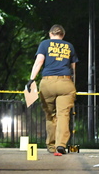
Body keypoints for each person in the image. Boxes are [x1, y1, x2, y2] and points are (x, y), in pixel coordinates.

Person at [26, 24, 78, 154]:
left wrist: (32, 79)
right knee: (63, 115)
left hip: (48, 83)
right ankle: (61, 145)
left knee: (50, 115)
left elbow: (39, 62)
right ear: (63, 35)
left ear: (50, 34)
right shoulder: (69, 46)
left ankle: (51, 145)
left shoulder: (45, 44)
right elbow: (73, 69)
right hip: (65, 82)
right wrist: (72, 84)